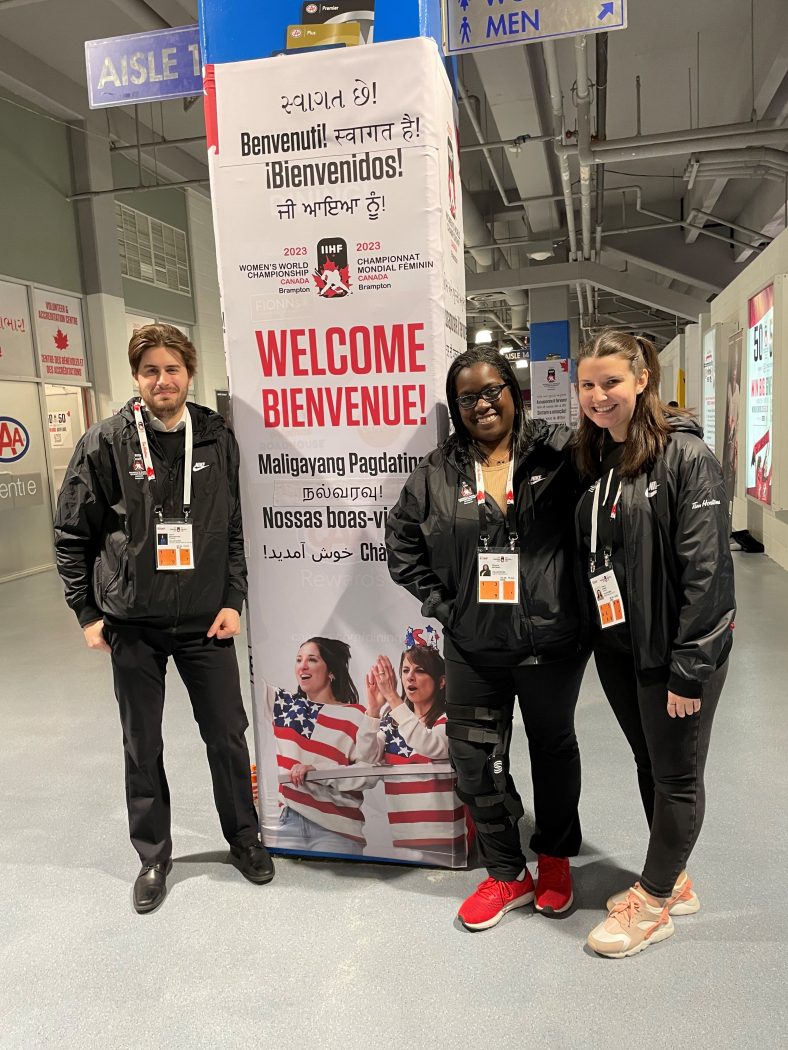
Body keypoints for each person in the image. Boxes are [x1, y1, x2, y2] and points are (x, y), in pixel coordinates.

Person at [54, 323, 273, 914]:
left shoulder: (217, 434)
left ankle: (244, 837)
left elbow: (231, 527)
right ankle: (153, 855)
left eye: (171, 369)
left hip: (206, 620)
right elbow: (73, 531)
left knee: (228, 736)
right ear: (136, 378)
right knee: (141, 742)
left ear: (189, 373)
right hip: (134, 622)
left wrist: (233, 599)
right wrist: (86, 612)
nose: (162, 380)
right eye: (150, 370)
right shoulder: (105, 442)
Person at [386, 346, 589, 931]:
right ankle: (506, 872)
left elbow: (619, 462)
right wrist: (447, 606)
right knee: (474, 760)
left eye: (491, 390)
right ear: (455, 408)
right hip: (474, 649)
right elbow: (401, 544)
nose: (481, 404)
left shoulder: (559, 452)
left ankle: (553, 859)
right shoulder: (434, 473)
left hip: (551, 642)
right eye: (467, 397)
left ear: (514, 393)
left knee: (554, 752)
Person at [574, 330, 735, 958]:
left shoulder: (686, 457)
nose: (598, 396)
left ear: (643, 378)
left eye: (611, 382)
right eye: (588, 384)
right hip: (620, 647)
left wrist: (691, 669)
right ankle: (676, 881)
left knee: (676, 776)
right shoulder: (600, 457)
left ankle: (656, 900)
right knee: (650, 764)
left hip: (675, 652)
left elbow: (709, 572)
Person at [264, 637, 380, 855]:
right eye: (298, 660)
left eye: (312, 660)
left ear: (331, 672)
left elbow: (369, 774)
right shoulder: (284, 706)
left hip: (338, 830)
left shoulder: (356, 715)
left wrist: (319, 771)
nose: (303, 666)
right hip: (289, 822)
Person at [365, 643, 466, 859]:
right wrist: (373, 710)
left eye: (420, 670)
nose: (410, 677)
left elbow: (430, 745)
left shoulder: (449, 719)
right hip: (401, 840)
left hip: (444, 840)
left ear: (441, 682)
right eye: (405, 670)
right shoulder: (391, 720)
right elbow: (367, 757)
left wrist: (393, 699)